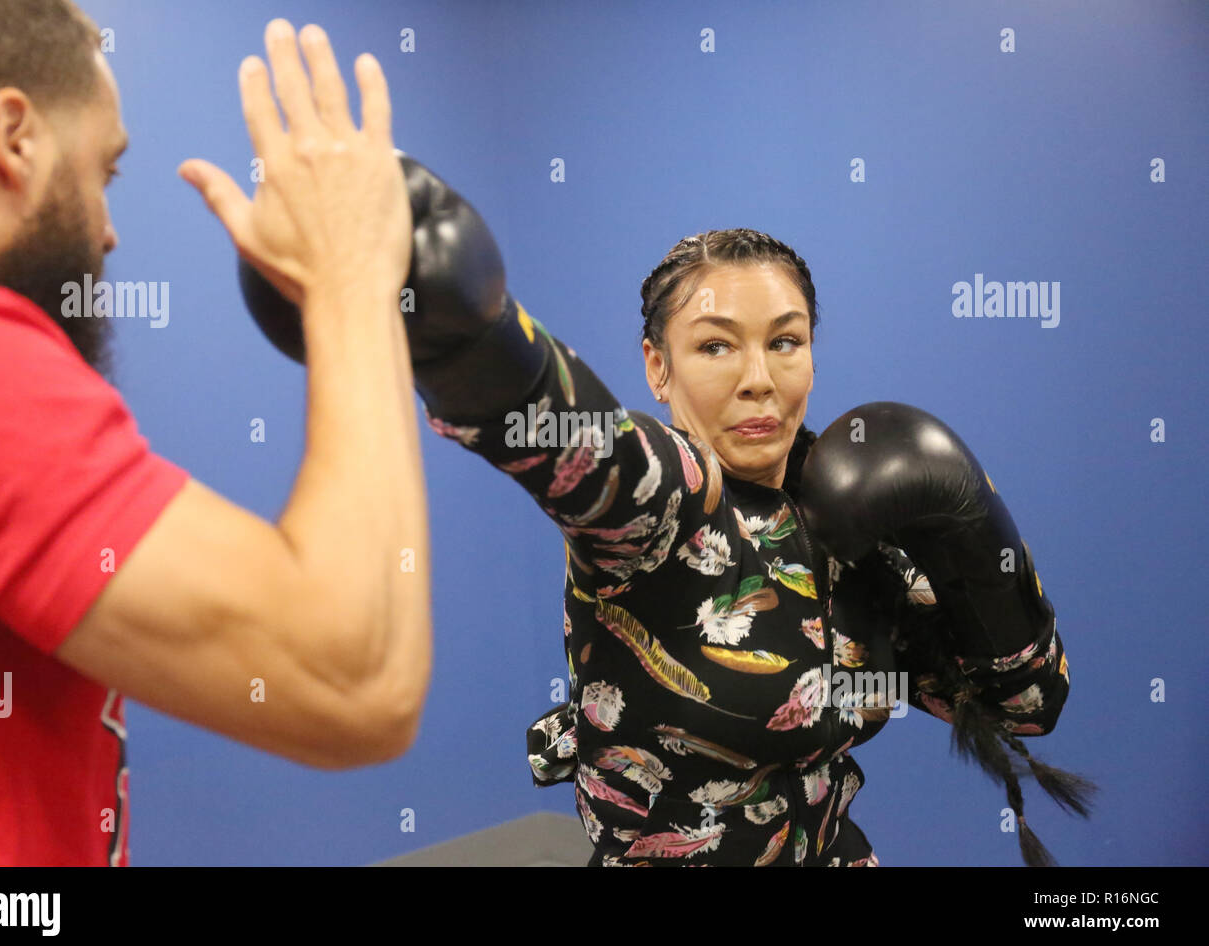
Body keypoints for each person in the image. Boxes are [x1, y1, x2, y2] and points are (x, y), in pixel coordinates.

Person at [238, 148, 1091, 864]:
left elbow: (1028, 708)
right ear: (659, 367)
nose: (759, 377)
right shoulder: (668, 503)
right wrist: (463, 334)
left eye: (785, 341)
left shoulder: (858, 508)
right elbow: (582, 444)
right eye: (715, 346)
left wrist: (979, 531)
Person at [0, 2, 429, 866]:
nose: (107, 232)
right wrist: (351, 278)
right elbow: (352, 677)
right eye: (103, 171)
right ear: (15, 137)